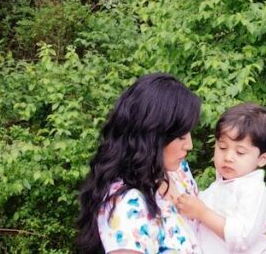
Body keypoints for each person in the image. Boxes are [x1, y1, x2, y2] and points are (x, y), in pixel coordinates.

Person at [75, 73, 204, 254]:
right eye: (181, 136)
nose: (189, 145)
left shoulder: (178, 171)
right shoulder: (128, 204)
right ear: (153, 136)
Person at [173, 103, 266, 254]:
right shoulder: (219, 186)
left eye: (240, 152)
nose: (228, 157)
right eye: (222, 147)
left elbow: (242, 238)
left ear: (262, 158)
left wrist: (202, 213)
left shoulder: (254, 191)